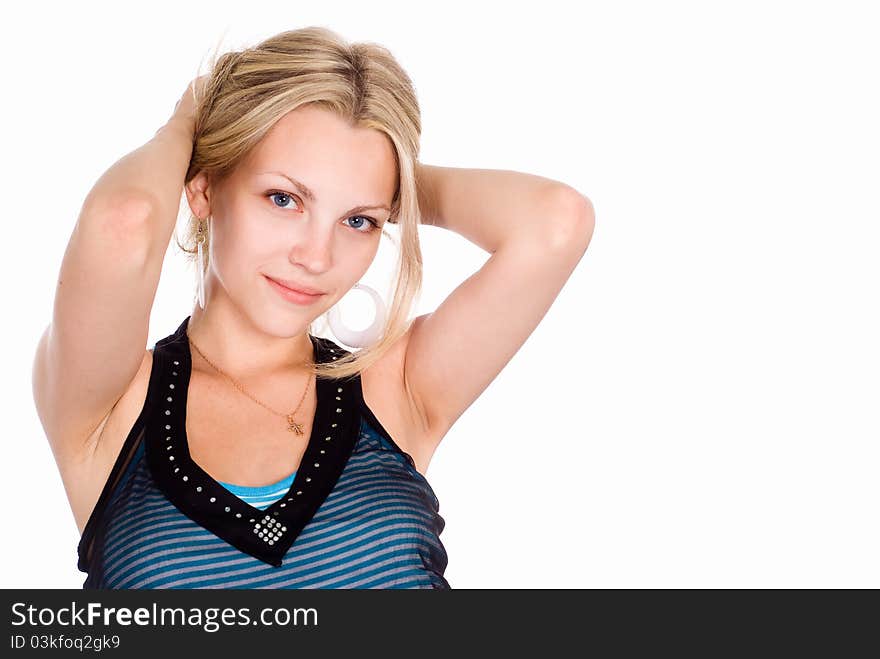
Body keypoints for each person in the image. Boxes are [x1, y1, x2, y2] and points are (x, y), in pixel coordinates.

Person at [31, 26, 595, 589]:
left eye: (358, 220)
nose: (317, 256)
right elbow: (123, 221)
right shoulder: (115, 404)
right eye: (284, 199)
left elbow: (555, 221)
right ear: (202, 188)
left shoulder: (394, 389)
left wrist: (390, 174)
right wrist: (186, 123)